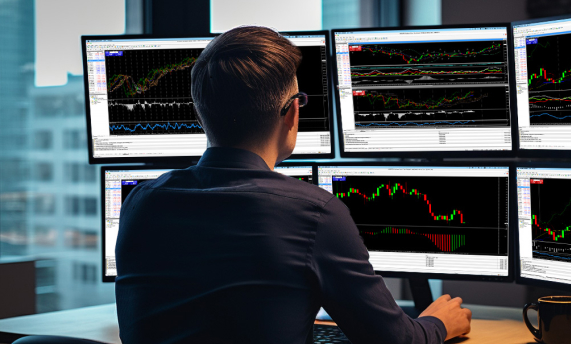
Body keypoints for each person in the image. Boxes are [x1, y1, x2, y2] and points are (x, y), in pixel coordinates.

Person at [115, 26, 472, 344]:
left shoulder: (140, 203)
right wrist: (438, 323)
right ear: (291, 112)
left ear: (200, 113)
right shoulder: (314, 214)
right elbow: (395, 340)